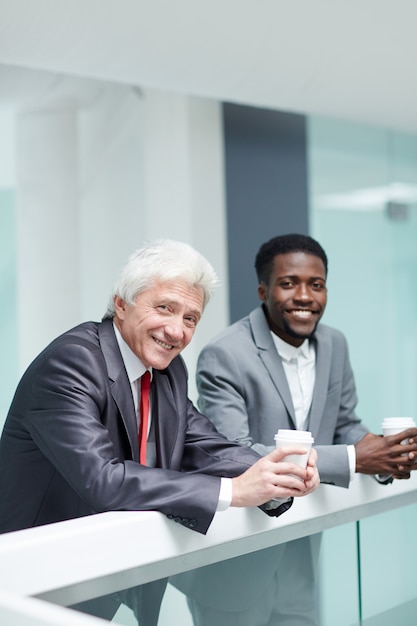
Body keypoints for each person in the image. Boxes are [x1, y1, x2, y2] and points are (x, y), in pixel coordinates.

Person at [0, 238, 320, 626]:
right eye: (165, 308)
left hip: (107, 571)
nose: (176, 331)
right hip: (34, 579)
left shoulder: (167, 369)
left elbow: (200, 443)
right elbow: (103, 479)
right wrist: (233, 492)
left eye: (190, 318)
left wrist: (274, 472)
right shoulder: (71, 362)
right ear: (121, 303)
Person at [171, 233, 417, 626]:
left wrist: (384, 451)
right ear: (263, 290)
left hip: (300, 558)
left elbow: (344, 422)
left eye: (316, 285)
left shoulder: (335, 344)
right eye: (289, 283)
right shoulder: (225, 353)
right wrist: (356, 459)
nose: (305, 296)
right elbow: (235, 451)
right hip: (234, 567)